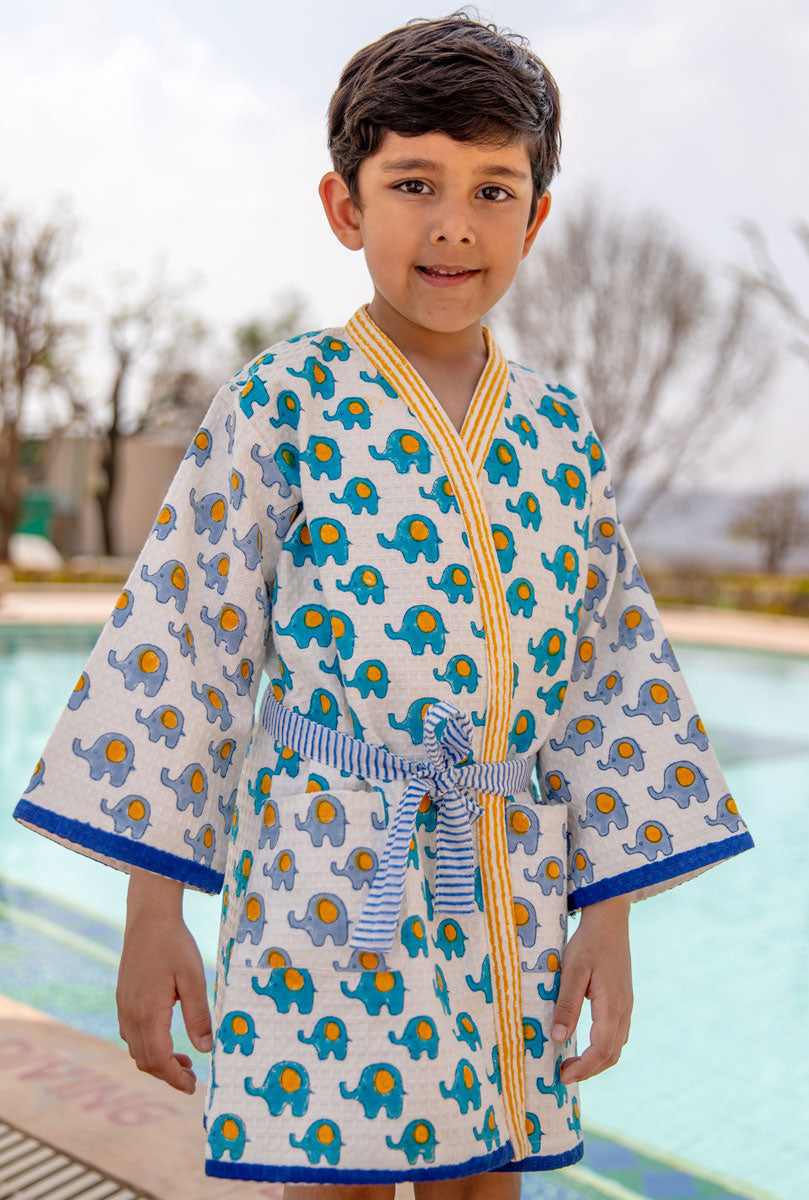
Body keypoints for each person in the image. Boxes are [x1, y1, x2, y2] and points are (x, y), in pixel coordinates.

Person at [12, 13, 753, 1199]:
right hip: (323, 867)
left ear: (536, 217)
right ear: (345, 206)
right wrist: (156, 917)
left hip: (503, 873)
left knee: (486, 1170)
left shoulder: (558, 432)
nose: (455, 224)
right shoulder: (283, 402)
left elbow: (612, 678)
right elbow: (187, 650)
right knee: (337, 1173)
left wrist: (607, 917)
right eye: (414, 183)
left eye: (493, 190)